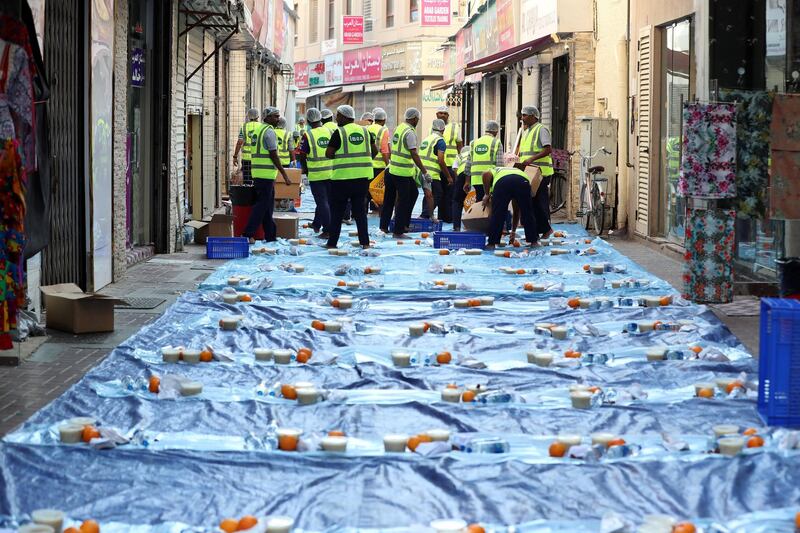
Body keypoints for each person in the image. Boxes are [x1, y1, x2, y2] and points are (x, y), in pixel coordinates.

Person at [324, 105, 378, 248]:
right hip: (361, 179)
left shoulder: (339, 132)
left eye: (338, 115)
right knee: (360, 212)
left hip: (341, 179)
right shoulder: (365, 132)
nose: (336, 118)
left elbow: (328, 153)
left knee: (337, 213)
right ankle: (365, 243)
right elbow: (375, 151)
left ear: (344, 117)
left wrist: (342, 158)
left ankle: (332, 243)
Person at [379, 107, 432, 238]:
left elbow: (392, 147)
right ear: (414, 119)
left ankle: (385, 227)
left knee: (396, 198)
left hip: (391, 170)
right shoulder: (410, 132)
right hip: (401, 173)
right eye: (417, 119)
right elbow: (414, 153)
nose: (417, 121)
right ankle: (398, 231)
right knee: (403, 201)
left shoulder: (399, 128)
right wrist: (424, 171)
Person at [243, 106, 293, 243]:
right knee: (261, 205)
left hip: (258, 173)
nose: (278, 119)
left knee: (267, 205)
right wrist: (285, 174)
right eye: (275, 116)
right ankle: (247, 233)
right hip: (266, 174)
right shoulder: (269, 132)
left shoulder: (258, 130)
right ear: (267, 117)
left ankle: (270, 235)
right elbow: (273, 154)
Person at [515, 105, 554, 239]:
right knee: (531, 201)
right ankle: (537, 229)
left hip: (541, 172)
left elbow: (548, 149)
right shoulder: (526, 131)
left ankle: (546, 229)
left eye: (525, 115)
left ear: (533, 116)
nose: (522, 118)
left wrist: (531, 159)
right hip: (529, 172)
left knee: (539, 201)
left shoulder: (541, 129)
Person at [481, 166, 539, 248]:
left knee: (498, 213)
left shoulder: (494, 170)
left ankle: (492, 243)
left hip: (503, 182)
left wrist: (486, 193)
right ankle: (534, 242)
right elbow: (516, 211)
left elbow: (485, 173)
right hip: (522, 181)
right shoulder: (516, 171)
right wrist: (513, 231)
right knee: (527, 211)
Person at [297, 107, 332, 238]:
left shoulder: (308, 135)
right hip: (331, 172)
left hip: (317, 174)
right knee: (325, 201)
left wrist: (304, 169)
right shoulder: (329, 131)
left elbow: (302, 154)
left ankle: (328, 230)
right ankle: (317, 224)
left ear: (308, 121)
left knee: (322, 202)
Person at [419, 119, 452, 220]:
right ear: (443, 129)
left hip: (422, 172)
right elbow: (441, 160)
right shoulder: (440, 141)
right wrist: (448, 176)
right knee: (437, 194)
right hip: (432, 173)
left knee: (428, 195)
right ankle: (424, 215)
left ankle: (425, 215)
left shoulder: (427, 139)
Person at [437, 106, 463, 223]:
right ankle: (441, 216)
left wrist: (460, 162)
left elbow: (459, 145)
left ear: (448, 116)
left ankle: (449, 217)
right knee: (439, 193)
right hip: (438, 165)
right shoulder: (432, 127)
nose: (442, 115)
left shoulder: (454, 127)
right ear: (437, 114)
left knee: (451, 193)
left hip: (451, 165)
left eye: (445, 113)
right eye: (440, 113)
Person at [466, 120, 503, 201]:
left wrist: (467, 181)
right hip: (490, 179)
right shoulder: (496, 142)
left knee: (479, 202)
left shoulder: (474, 142)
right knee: (490, 203)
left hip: (475, 179)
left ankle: (479, 214)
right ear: (496, 131)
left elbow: (468, 163)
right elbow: (500, 165)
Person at [232, 108, 262, 182]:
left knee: (247, 180)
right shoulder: (262, 127)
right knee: (257, 179)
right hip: (258, 158)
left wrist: (235, 156)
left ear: (248, 116)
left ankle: (248, 193)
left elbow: (239, 142)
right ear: (258, 117)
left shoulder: (244, 127)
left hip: (247, 159)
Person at [451, 145, 471, 231]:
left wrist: (458, 182)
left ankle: (457, 227)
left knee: (457, 201)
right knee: (476, 200)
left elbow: (455, 169)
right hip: (476, 174)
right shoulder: (472, 153)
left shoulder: (459, 156)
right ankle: (473, 226)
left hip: (462, 174)